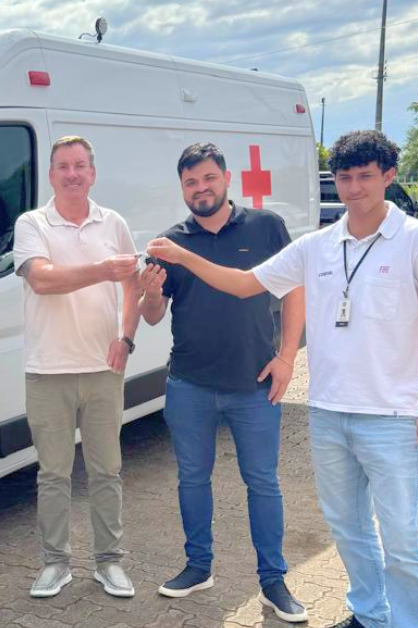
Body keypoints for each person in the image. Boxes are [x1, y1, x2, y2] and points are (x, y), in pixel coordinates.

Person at [146, 130, 418, 628]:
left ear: (389, 176)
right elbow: (245, 284)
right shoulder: (319, 245)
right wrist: (183, 257)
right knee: (349, 529)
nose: (354, 188)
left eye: (365, 176)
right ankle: (369, 616)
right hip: (328, 411)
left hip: (391, 415)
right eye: (345, 177)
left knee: (401, 539)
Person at [137, 142, 308, 622]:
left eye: (209, 178)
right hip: (189, 383)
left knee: (263, 483)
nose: (201, 189)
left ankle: (273, 581)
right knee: (192, 479)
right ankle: (198, 568)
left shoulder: (266, 226)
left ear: (226, 178)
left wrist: (287, 358)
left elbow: (294, 291)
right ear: (182, 188)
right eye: (191, 182)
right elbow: (153, 315)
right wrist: (150, 294)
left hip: (254, 383)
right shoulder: (169, 242)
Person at [13, 136, 141, 599]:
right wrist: (103, 269)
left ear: (92, 173)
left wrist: (126, 338)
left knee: (107, 471)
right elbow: (42, 280)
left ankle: (109, 563)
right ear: (51, 175)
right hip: (48, 370)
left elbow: (133, 286)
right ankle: (55, 564)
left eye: (80, 165)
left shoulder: (114, 223)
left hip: (103, 369)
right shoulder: (31, 223)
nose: (72, 174)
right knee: (53, 475)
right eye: (63, 166)